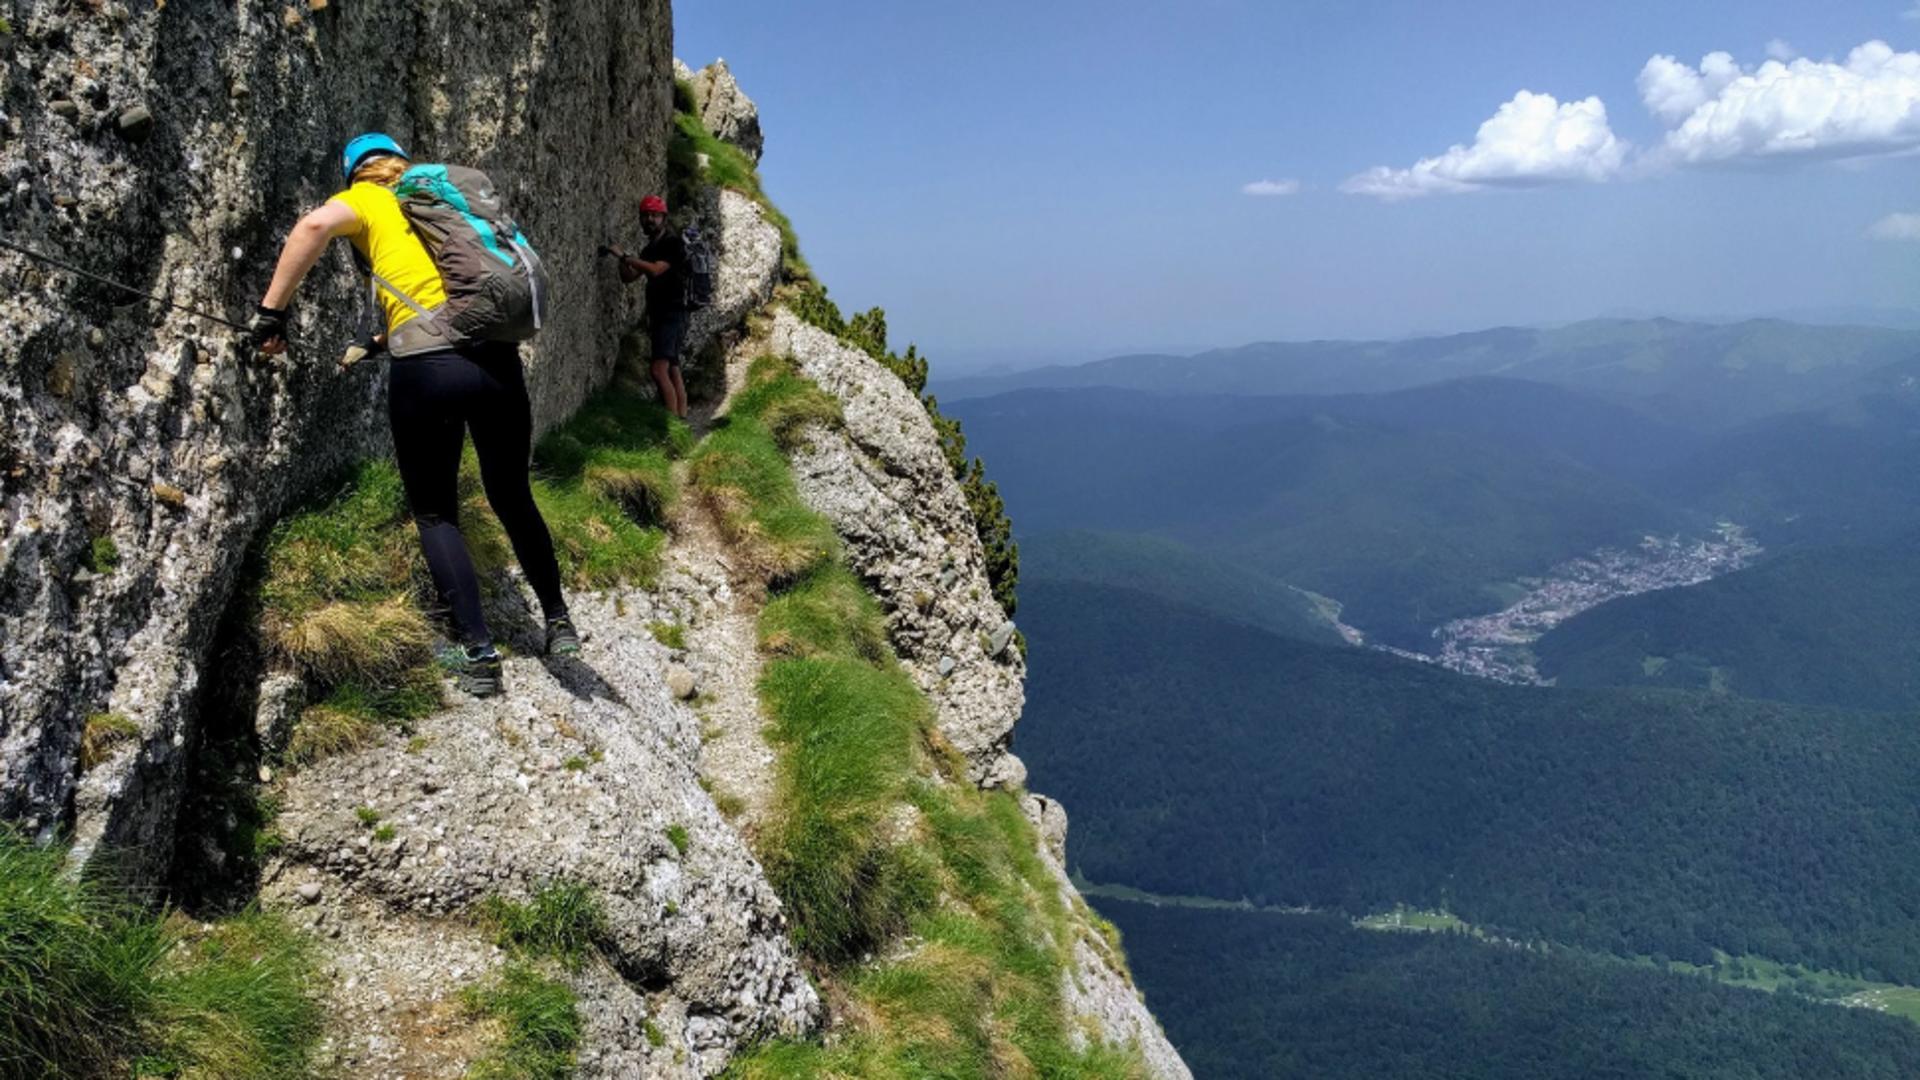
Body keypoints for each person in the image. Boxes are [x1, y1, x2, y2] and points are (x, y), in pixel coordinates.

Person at [248, 132, 580, 698]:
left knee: (435, 512)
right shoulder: (442, 200)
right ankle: (558, 621)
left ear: (356, 171)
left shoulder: (369, 199)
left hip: (429, 370)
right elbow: (444, 288)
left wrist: (270, 314)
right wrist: (378, 339)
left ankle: (478, 654)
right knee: (512, 494)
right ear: (400, 160)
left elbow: (311, 228)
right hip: (497, 364)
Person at [612, 194, 690, 418]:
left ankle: (670, 424)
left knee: (658, 369)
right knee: (672, 368)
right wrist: (622, 260)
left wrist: (626, 256)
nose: (649, 220)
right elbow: (629, 277)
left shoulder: (672, 243)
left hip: (672, 312)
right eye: (645, 215)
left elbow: (656, 270)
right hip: (661, 313)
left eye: (654, 215)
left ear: (663, 218)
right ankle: (681, 420)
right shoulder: (649, 249)